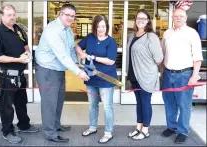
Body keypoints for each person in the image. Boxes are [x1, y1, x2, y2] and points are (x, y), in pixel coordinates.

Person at [35, 4, 89, 143]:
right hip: (47, 70)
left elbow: (70, 50)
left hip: (58, 70)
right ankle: (50, 133)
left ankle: (56, 125)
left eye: (72, 16)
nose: (70, 18)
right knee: (49, 103)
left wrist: (76, 63)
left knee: (58, 101)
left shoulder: (68, 30)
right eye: (67, 15)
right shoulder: (53, 30)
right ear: (60, 14)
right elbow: (62, 56)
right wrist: (79, 72)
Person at [0, 4, 39, 144]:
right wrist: (18, 59)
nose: (12, 18)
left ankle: (24, 125)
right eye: (9, 15)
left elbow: (25, 44)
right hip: (7, 76)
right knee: (7, 106)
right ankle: (7, 131)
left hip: (19, 74)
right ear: (2, 16)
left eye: (14, 15)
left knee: (21, 102)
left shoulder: (17, 28)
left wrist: (27, 52)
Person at [161, 8, 203, 144]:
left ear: (185, 17)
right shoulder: (167, 33)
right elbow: (163, 55)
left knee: (184, 105)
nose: (178, 18)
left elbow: (198, 58)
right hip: (167, 74)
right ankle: (171, 127)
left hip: (185, 75)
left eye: (181, 16)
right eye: (176, 16)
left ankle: (183, 131)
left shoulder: (192, 33)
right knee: (169, 103)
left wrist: (194, 76)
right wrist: (162, 73)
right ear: (172, 17)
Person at [76, 15, 118, 143]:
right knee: (92, 105)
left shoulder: (111, 41)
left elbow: (111, 61)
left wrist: (93, 57)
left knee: (107, 106)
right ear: (95, 27)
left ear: (107, 27)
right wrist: (82, 54)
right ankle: (93, 127)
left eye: (103, 26)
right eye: (98, 26)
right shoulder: (90, 38)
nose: (101, 29)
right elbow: (77, 46)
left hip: (105, 78)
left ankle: (108, 132)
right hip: (91, 78)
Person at [126, 9, 163, 140]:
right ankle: (138, 127)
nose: (140, 20)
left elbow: (158, 58)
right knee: (139, 103)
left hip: (146, 76)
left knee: (145, 102)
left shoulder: (150, 36)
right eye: (138, 18)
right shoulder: (132, 35)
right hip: (134, 75)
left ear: (148, 21)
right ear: (135, 20)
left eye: (144, 18)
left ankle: (145, 130)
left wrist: (147, 67)